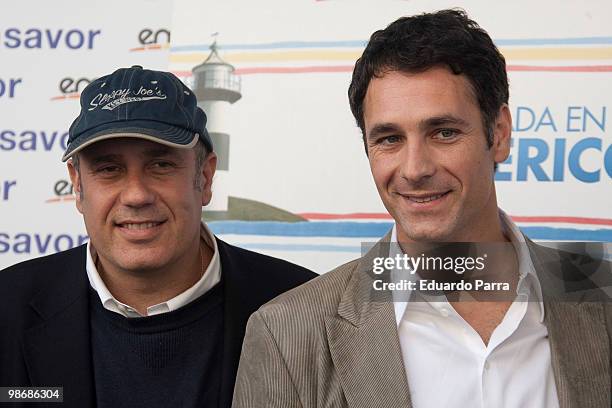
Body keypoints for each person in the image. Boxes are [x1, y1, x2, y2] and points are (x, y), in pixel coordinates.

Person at [232, 10, 612, 408]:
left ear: (498, 133)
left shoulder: (595, 288)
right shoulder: (287, 333)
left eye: (444, 132)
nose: (415, 169)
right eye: (390, 138)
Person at [0, 66, 316, 408]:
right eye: (109, 169)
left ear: (205, 178)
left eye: (161, 165)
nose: (136, 195)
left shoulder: (304, 308)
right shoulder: (7, 308)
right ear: (77, 186)